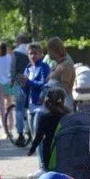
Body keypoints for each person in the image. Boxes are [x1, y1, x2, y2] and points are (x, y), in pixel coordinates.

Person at [20, 43, 51, 171]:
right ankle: (40, 166)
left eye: (35, 53)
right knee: (34, 137)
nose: (32, 56)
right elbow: (25, 89)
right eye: (30, 53)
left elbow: (43, 83)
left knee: (39, 137)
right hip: (30, 106)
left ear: (40, 54)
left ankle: (44, 167)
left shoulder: (43, 66)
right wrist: (23, 85)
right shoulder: (27, 68)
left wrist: (28, 82)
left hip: (40, 106)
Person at [27, 87, 71, 172]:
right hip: (66, 149)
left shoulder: (44, 118)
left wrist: (32, 149)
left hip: (50, 150)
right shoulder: (68, 116)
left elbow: (39, 136)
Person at [11, 34, 32, 145]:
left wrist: (11, 81)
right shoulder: (32, 51)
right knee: (28, 108)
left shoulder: (15, 52)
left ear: (18, 41)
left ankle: (20, 134)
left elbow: (12, 68)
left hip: (19, 82)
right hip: (30, 83)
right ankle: (30, 130)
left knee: (18, 109)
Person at [46, 37, 76, 109]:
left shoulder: (66, 65)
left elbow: (64, 88)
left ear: (54, 49)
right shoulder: (57, 65)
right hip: (55, 105)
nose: (47, 53)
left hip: (63, 107)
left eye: (48, 50)